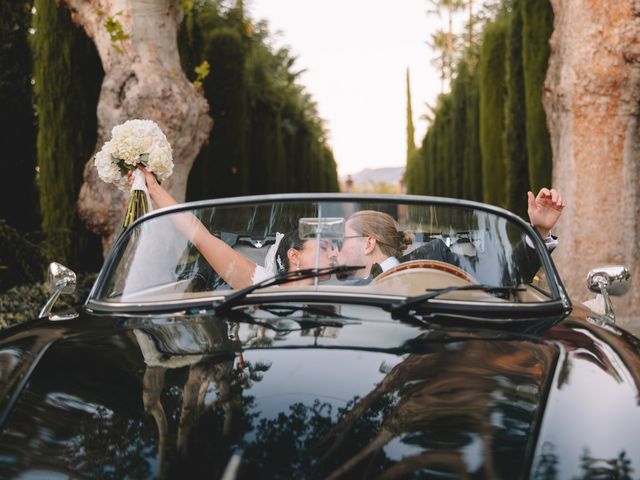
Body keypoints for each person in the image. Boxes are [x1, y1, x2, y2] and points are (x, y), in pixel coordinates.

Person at [134, 167, 337, 289]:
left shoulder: (341, 292)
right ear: (295, 256)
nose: (334, 254)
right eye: (324, 247)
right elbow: (201, 237)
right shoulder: (265, 284)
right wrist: (154, 189)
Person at [336, 188, 566, 283]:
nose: (338, 248)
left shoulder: (434, 257)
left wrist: (539, 231)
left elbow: (502, 278)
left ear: (368, 243)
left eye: (344, 239)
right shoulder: (336, 290)